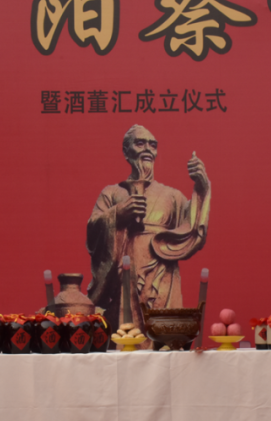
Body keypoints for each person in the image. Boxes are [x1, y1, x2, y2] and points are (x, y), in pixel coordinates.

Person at [86, 125, 211, 330]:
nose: (147, 149)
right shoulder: (112, 193)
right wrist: (117, 214)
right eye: (140, 143)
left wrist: (202, 188)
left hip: (162, 274)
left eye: (152, 145)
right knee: (126, 333)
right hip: (125, 275)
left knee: (163, 334)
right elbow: (92, 234)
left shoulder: (171, 196)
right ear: (126, 151)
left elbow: (192, 228)